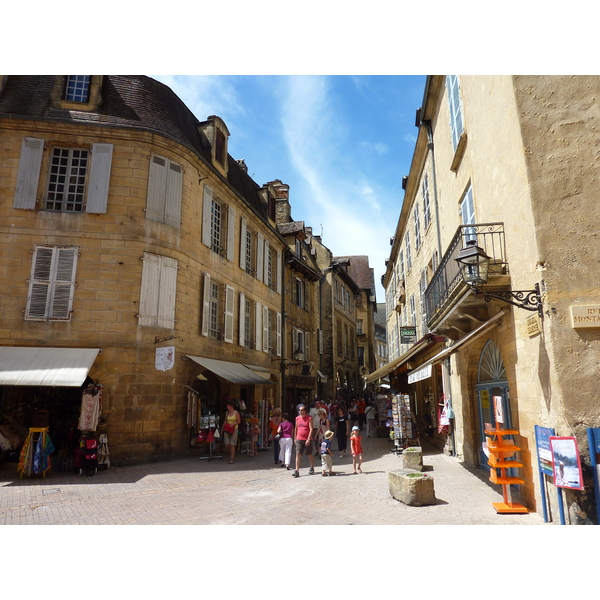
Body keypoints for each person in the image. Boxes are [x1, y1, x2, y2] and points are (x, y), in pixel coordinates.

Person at [292, 404, 315, 477]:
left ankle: (311, 467)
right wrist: (295, 437)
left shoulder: (309, 418)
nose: (300, 411)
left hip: (307, 439)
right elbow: (296, 428)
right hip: (299, 438)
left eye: (302, 410)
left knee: (309, 453)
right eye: (299, 410)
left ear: (305, 411)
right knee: (298, 454)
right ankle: (297, 470)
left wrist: (309, 438)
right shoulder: (297, 418)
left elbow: (311, 429)